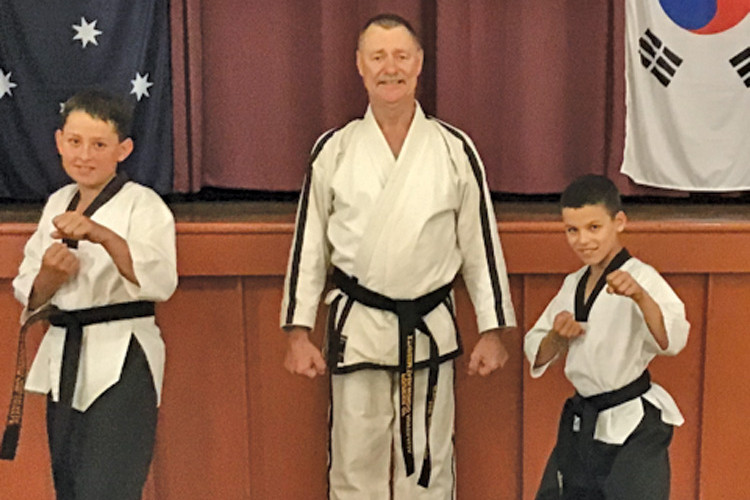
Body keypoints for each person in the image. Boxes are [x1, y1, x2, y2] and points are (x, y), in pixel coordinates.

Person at [280, 13, 516, 499]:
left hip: (428, 325)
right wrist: (298, 332)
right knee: (354, 462)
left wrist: (491, 329)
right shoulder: (335, 149)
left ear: (420, 64)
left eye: (401, 56)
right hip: (359, 327)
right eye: (378, 57)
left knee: (429, 463)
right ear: (360, 67)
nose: (391, 68)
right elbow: (309, 248)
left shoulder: (454, 149)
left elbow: (480, 244)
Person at [9, 89, 177, 499]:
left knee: (109, 486)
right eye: (75, 142)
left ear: (123, 149)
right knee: (69, 484)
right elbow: (30, 292)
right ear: (59, 141)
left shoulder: (144, 204)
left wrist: (101, 235)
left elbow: (160, 279)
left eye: (99, 145)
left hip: (123, 355)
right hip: (64, 355)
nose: (84, 155)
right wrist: (50, 274)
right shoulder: (58, 202)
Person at [524, 174, 690, 499]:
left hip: (633, 422)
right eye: (572, 230)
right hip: (583, 421)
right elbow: (537, 350)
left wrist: (642, 298)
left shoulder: (642, 277)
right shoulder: (573, 284)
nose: (582, 240)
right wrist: (558, 338)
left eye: (594, 228)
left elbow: (672, 339)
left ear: (619, 222)